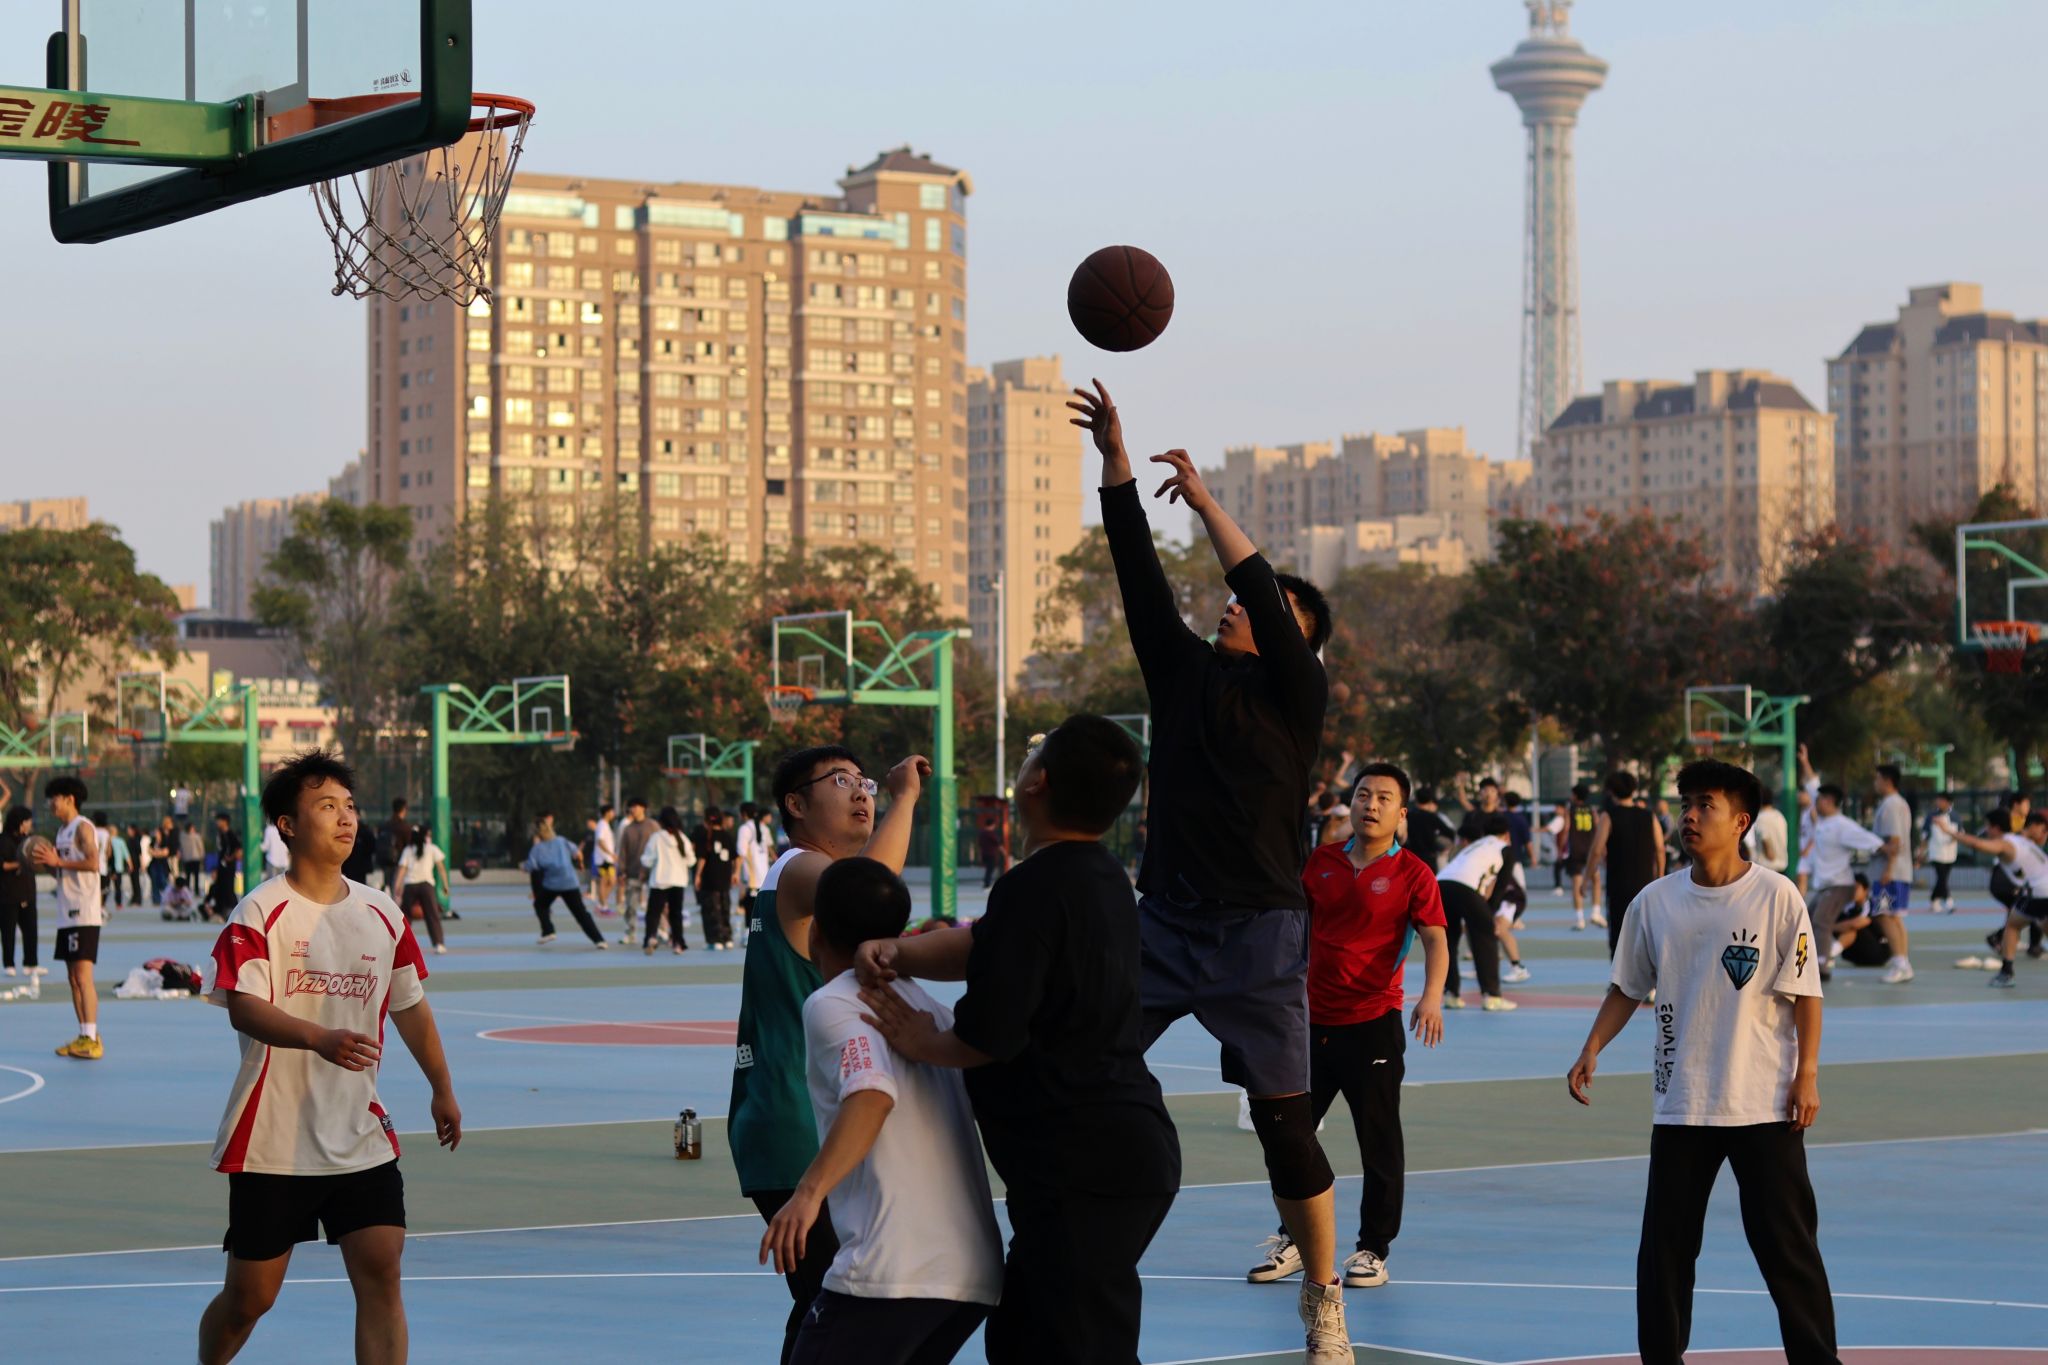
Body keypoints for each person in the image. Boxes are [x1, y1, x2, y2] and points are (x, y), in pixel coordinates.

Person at [1070, 378, 1353, 1361]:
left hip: (1259, 937)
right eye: (1230, 601)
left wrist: (1203, 502)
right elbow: (1136, 572)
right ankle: (1071, 1246)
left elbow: (1261, 586)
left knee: (1286, 1134)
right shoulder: (1183, 672)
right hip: (1165, 923)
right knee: (1075, 1066)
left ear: (1298, 639)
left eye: (1263, 606)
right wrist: (1115, 463)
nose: (1236, 605)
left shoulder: (1295, 697)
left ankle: (1323, 1294)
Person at [853, 716, 1180, 1365]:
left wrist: (924, 1040)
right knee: (1026, 1337)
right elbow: (982, 945)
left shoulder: (1036, 886)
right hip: (1111, 1156)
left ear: (1037, 783)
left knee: (1074, 1346)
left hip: (1085, 1168)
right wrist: (900, 952)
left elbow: (990, 1035)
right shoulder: (1098, 875)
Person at [1567, 759, 1837, 1365]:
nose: (1689, 815)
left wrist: (1807, 1075)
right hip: (1682, 1103)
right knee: (1665, 1254)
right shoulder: (1654, 902)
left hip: (1764, 1104)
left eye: (1705, 805)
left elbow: (1806, 993)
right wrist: (1591, 1047)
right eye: (1685, 804)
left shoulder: (1777, 896)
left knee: (1789, 1251)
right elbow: (1627, 987)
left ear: (1740, 821)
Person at [196, 749, 461, 1365]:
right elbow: (243, 1007)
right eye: (326, 806)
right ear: (287, 825)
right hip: (273, 1139)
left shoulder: (382, 913)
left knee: (382, 1269)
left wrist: (442, 1087)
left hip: (358, 1131)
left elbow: (411, 1007)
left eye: (350, 806)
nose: (346, 818)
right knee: (250, 1299)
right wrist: (318, 1038)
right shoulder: (259, 911)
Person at [731, 745, 930, 1365]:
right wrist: (906, 798)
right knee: (836, 1304)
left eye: (864, 781)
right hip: (796, 1120)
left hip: (792, 1116)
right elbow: (871, 891)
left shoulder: (804, 880)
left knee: (827, 1303)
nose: (862, 791)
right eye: (841, 781)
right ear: (796, 804)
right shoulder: (800, 868)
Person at [759, 858, 1002, 1365]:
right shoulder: (934, 1017)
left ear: (815, 932)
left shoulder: (834, 1003)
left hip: (892, 1271)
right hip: (970, 1275)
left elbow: (871, 1093)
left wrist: (807, 1194)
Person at [1243, 762, 1447, 1292]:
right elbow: (1291, 928)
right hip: (1310, 1023)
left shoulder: (1414, 874)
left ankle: (1374, 1249)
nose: (1370, 805)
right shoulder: (1322, 862)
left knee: (1378, 1144)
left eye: (1383, 798)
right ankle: (1296, 1239)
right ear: (1350, 802)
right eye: (1362, 794)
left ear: (1401, 813)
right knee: (1290, 1138)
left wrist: (1431, 996)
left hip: (1373, 1023)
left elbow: (1435, 939)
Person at [1934, 807, 2048, 989]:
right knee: (2033, 924)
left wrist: (1948, 831)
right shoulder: (2021, 839)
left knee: (2013, 925)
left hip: (2040, 892)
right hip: (2040, 890)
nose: (1986, 830)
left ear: (1996, 828)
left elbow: (1977, 844)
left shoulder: (2006, 844)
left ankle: (2006, 973)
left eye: (1988, 826)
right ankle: (2006, 972)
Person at [35, 776, 103, 1058]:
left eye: (55, 798)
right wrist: (48, 865)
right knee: (73, 978)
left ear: (69, 799)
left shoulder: (83, 827)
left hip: (84, 912)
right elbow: (62, 870)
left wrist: (59, 861)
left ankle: (92, 1038)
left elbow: (93, 863)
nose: (51, 803)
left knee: (83, 977)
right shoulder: (62, 832)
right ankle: (84, 1034)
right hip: (66, 911)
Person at [1803, 786, 1899, 983]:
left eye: (1819, 799)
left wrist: (1884, 847)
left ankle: (1822, 966)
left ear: (1829, 801)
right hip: (1824, 885)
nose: (1815, 803)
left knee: (1821, 921)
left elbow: (1863, 836)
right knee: (1808, 919)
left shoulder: (1842, 825)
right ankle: (1810, 960)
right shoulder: (1822, 822)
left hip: (1838, 884)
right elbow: (1811, 786)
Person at [1436, 814, 1517, 1011]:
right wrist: (1490, 914)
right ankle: (1491, 996)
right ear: (1507, 835)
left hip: (1439, 886)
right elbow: (1501, 886)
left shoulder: (1476, 845)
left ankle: (1451, 994)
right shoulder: (1504, 848)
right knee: (1485, 939)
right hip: (1466, 888)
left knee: (1447, 942)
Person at [1584, 771, 1664, 956]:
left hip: (1619, 884)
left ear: (1611, 791)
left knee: (1619, 935)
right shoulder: (1649, 816)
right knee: (1646, 933)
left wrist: (1587, 878)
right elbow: (1660, 849)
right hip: (1645, 884)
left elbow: (1596, 850)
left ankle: (1618, 973)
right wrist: (1660, 877)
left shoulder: (1609, 816)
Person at [521, 813, 607, 949]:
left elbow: (531, 867)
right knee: (581, 913)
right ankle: (599, 940)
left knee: (540, 905)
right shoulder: (561, 841)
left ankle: (548, 931)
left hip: (552, 885)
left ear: (537, 834)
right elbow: (577, 853)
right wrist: (580, 863)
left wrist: (522, 866)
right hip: (570, 882)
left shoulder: (537, 849)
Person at [642, 806, 697, 954]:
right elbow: (691, 861)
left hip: (659, 880)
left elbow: (647, 860)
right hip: (678, 880)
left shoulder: (657, 838)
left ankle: (651, 937)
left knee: (654, 912)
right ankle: (678, 943)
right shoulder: (682, 838)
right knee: (676, 914)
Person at [1828, 875, 1909, 972]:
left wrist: (1829, 927)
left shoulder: (1871, 904)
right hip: (1857, 955)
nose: (1853, 891)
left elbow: (1860, 922)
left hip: (1878, 951)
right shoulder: (1847, 907)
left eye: (1856, 888)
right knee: (1843, 925)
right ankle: (1829, 954)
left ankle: (1828, 954)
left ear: (1866, 890)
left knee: (1852, 929)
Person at [395, 825, 450, 955]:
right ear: (426, 836)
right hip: (427, 886)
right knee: (432, 915)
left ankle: (401, 945)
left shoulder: (408, 850)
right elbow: (441, 868)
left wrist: (398, 886)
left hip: (410, 885)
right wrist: (445, 885)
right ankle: (439, 943)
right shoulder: (432, 849)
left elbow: (402, 869)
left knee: (405, 917)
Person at [0, 806, 39, 978]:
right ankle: (9, 964)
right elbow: (3, 865)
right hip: (8, 894)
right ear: (21, 822)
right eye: (28, 821)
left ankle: (31, 963)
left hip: (28, 892)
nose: (30, 824)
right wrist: (22, 863)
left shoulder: (28, 840)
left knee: (31, 930)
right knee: (8, 932)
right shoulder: (3, 840)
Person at [694, 805, 738, 950]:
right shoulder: (727, 836)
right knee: (725, 907)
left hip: (709, 878)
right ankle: (727, 937)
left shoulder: (706, 836)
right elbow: (735, 857)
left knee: (711, 909)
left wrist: (698, 875)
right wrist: (735, 873)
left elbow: (702, 858)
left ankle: (715, 939)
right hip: (724, 877)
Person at [615, 796, 658, 945]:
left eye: (635, 806)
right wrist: (621, 870)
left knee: (657, 905)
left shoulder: (653, 826)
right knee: (631, 905)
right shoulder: (628, 829)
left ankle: (662, 931)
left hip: (653, 872)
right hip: (633, 872)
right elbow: (623, 852)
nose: (632, 809)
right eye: (631, 807)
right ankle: (630, 932)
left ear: (643, 808)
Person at [1563, 783, 1601, 929]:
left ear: (1575, 795)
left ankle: (1579, 919)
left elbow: (1566, 828)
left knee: (1576, 882)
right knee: (1596, 879)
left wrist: (1561, 847)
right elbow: (1597, 827)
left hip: (1576, 849)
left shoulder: (1570, 810)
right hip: (1590, 849)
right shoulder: (1592, 809)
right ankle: (1596, 912)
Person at [1405, 789, 1456, 872]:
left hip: (1410, 858)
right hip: (1429, 859)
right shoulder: (1432, 817)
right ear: (1430, 801)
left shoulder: (1407, 816)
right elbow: (1450, 833)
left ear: (1416, 800)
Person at [1924, 792, 1958, 914]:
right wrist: (1921, 852)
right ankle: (1949, 902)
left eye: (1942, 800)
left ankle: (1934, 900)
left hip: (1950, 853)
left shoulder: (1955, 816)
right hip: (1936, 853)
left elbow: (1960, 833)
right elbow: (1925, 834)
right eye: (1938, 800)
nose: (1939, 803)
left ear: (1948, 802)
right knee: (1942, 877)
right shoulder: (1931, 816)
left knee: (1942, 879)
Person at [209, 811, 244, 922]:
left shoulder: (230, 834)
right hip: (221, 866)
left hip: (228, 867)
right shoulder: (220, 834)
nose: (217, 822)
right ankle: (220, 911)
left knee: (228, 888)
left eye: (219, 820)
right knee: (220, 887)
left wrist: (230, 858)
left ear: (225, 822)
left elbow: (238, 849)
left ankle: (234, 911)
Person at [1750, 788, 1791, 877]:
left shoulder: (1761, 819)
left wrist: (1770, 855)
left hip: (1768, 870)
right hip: (1782, 869)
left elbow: (1769, 852)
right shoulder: (1779, 816)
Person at [377, 798, 411, 896]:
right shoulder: (404, 827)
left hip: (386, 861)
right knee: (397, 891)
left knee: (388, 886)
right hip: (399, 862)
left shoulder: (385, 825)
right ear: (404, 809)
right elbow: (409, 846)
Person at [591, 802, 617, 914]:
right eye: (612, 811)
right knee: (604, 881)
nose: (614, 814)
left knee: (611, 881)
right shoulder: (602, 824)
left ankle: (601, 904)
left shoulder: (605, 824)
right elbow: (600, 841)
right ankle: (603, 906)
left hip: (607, 859)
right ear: (607, 813)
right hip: (603, 859)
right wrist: (610, 853)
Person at [100, 811, 128, 909]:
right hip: (118, 867)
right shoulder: (120, 841)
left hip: (105, 867)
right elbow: (125, 854)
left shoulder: (106, 840)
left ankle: (103, 903)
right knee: (118, 887)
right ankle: (118, 903)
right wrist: (130, 864)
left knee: (105, 887)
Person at [180, 819, 207, 894]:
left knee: (188, 876)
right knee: (196, 876)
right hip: (195, 858)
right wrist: (202, 856)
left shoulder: (182, 836)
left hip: (186, 859)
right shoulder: (196, 836)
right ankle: (196, 891)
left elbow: (181, 847)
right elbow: (200, 847)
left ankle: (187, 890)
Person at [123, 823, 145, 907]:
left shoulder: (135, 840)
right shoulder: (130, 839)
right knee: (133, 882)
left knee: (136, 882)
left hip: (135, 863)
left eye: (129, 829)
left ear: (133, 830)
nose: (127, 831)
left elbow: (139, 853)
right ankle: (134, 899)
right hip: (131, 863)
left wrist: (142, 864)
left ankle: (138, 900)